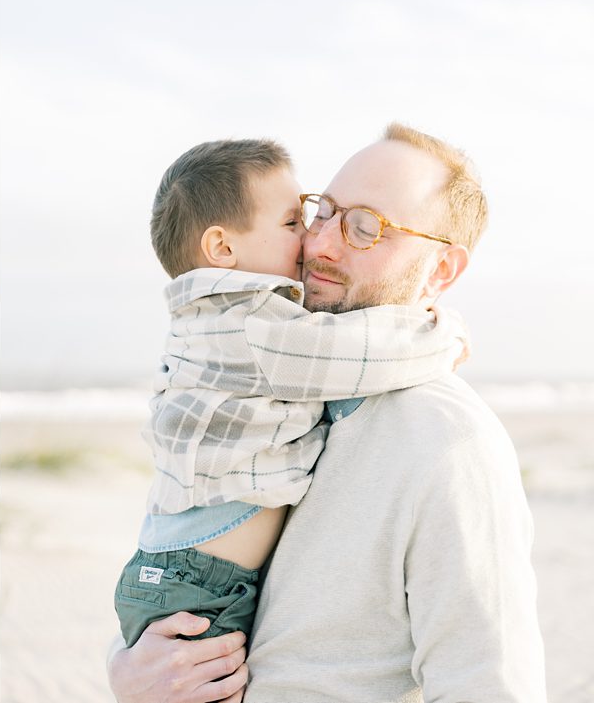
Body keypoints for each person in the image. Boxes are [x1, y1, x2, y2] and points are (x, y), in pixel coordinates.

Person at [108, 124, 546, 702]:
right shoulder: (274, 397)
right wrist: (129, 666)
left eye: (366, 228)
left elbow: (489, 686)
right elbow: (179, 551)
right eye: (323, 212)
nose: (319, 245)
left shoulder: (450, 442)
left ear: (441, 272)